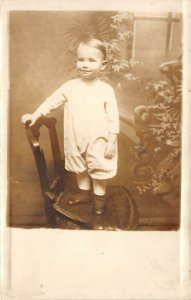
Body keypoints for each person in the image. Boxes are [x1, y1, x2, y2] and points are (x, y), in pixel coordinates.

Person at [21, 37, 119, 215]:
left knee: (98, 169)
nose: (85, 64)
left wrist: (111, 141)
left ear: (103, 65)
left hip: (99, 139)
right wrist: (35, 115)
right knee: (79, 167)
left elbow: (113, 118)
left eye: (91, 60)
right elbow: (51, 102)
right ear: (76, 62)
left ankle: (99, 201)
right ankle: (85, 195)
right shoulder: (70, 87)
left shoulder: (105, 90)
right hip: (76, 137)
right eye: (81, 59)